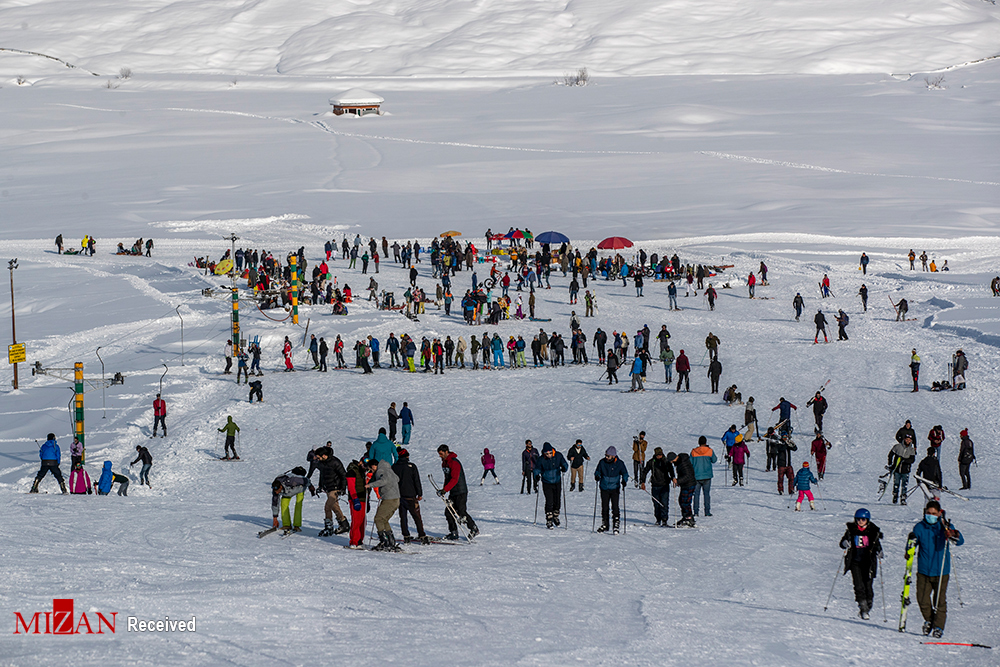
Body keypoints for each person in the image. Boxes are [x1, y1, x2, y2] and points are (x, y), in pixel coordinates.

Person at [912, 500, 964, 637]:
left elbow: (960, 541)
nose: (931, 516)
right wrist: (909, 546)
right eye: (928, 513)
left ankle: (938, 627)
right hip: (924, 570)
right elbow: (912, 544)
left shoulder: (944, 527)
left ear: (939, 513)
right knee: (922, 599)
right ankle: (929, 620)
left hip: (941, 570)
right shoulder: (919, 527)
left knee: (939, 600)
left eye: (934, 514)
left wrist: (952, 534)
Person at [839, 508, 883, 620]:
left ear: (867, 520)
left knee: (868, 585)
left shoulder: (873, 531)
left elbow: (876, 544)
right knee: (858, 585)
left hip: (868, 562)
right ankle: (863, 607)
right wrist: (845, 543)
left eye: (863, 519)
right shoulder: (851, 530)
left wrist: (879, 551)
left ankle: (868, 604)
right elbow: (843, 542)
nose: (860, 521)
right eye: (858, 519)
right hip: (855, 562)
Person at [436, 445, 479, 540]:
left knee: (461, 512)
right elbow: (447, 478)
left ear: (446, 452)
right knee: (449, 512)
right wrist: (443, 490)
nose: (440, 456)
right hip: (453, 491)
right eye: (439, 454)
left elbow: (455, 479)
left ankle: (473, 528)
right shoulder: (444, 463)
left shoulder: (454, 463)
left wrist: (445, 489)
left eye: (441, 454)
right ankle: (453, 532)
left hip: (460, 491)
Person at [308, 445, 350, 536]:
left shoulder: (335, 462)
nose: (317, 459)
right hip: (328, 487)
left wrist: (343, 488)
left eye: (318, 457)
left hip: (335, 488)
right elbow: (322, 474)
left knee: (327, 507)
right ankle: (344, 524)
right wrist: (320, 485)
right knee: (335, 507)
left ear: (323, 455)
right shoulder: (321, 462)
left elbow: (343, 475)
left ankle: (329, 527)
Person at [366, 458, 401, 551]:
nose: (372, 471)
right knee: (384, 520)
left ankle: (384, 542)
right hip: (396, 499)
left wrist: (370, 485)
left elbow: (383, 481)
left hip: (389, 499)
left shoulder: (380, 471)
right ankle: (390, 541)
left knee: (378, 519)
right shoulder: (388, 468)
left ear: (374, 466)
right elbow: (397, 478)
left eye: (371, 469)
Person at [594, 447, 629, 534]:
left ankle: (616, 525)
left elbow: (625, 473)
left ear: (613, 456)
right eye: (606, 455)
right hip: (604, 487)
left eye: (608, 456)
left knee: (615, 507)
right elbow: (597, 471)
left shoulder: (619, 463)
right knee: (605, 507)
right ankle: (605, 524)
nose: (606, 457)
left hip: (615, 488)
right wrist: (597, 475)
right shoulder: (602, 462)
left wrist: (624, 480)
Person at [534, 443, 569, 529]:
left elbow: (565, 463)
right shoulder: (541, 459)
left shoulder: (558, 455)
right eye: (546, 454)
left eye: (550, 453)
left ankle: (555, 516)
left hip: (557, 481)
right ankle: (549, 519)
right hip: (547, 482)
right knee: (549, 500)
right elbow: (537, 469)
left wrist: (564, 467)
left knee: (557, 500)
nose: (549, 455)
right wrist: (536, 475)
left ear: (552, 451)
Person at [270, 467, 314, 533]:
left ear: (281, 487)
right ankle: (286, 525)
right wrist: (275, 518)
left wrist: (310, 486)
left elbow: (306, 480)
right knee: (283, 504)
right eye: (275, 491)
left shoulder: (292, 480)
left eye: (278, 491)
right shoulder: (276, 490)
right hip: (287, 492)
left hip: (300, 489)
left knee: (298, 505)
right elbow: (275, 503)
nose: (276, 492)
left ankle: (297, 525)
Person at [640, 447, 674, 525]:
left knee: (664, 503)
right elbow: (645, 472)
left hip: (665, 485)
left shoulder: (666, 462)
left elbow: (671, 471)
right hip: (655, 485)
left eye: (660, 454)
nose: (659, 456)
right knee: (656, 503)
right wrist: (643, 482)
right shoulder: (651, 462)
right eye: (658, 455)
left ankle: (664, 520)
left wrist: (673, 478)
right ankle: (658, 519)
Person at [344, 457, 368, 549]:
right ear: (360, 462)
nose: (365, 468)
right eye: (364, 465)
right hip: (356, 499)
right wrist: (355, 499)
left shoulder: (362, 472)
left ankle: (360, 540)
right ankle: (354, 541)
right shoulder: (352, 471)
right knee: (357, 520)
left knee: (363, 521)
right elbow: (351, 486)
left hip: (363, 499)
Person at [690, 436, 717, 517]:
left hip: (697, 476)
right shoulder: (709, 451)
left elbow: (690, 462)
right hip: (707, 476)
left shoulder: (693, 452)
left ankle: (696, 512)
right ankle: (707, 511)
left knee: (696, 495)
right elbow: (714, 460)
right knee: (706, 494)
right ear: (705, 442)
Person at [669, 450, 697, 527]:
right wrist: (679, 482)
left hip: (689, 484)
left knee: (685, 502)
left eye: (671, 461)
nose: (671, 463)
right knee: (682, 500)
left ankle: (689, 518)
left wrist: (678, 481)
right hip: (685, 484)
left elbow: (688, 476)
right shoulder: (680, 462)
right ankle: (685, 517)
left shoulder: (683, 463)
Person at [887, 435, 917, 504]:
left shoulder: (911, 450)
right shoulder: (898, 446)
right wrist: (890, 464)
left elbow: (912, 460)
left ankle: (903, 498)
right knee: (896, 483)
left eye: (909, 440)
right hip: (897, 469)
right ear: (904, 439)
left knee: (904, 485)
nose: (908, 441)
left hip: (905, 470)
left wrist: (904, 460)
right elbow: (891, 454)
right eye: (907, 439)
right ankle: (895, 495)